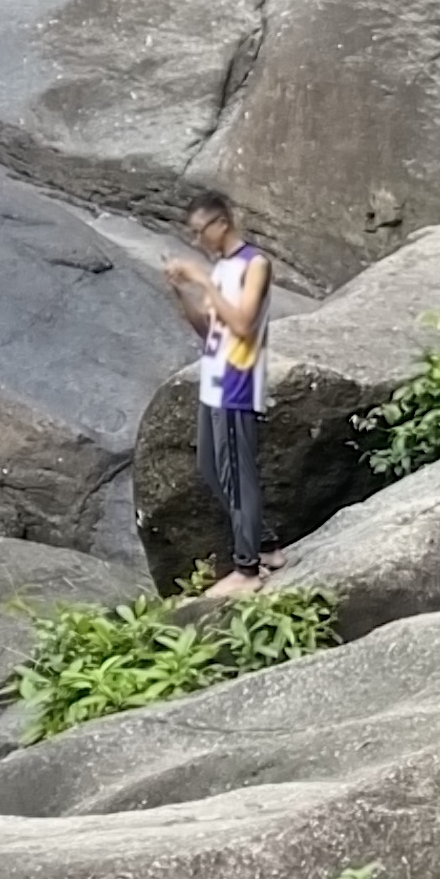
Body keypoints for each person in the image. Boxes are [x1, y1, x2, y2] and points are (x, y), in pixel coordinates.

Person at [162, 187, 274, 601]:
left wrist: (204, 281)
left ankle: (247, 569)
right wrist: (182, 291)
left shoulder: (254, 264)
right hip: (214, 379)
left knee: (238, 476)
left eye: (199, 231)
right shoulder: (223, 269)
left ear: (221, 223)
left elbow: (242, 325)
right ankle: (266, 544)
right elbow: (210, 329)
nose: (196, 241)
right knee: (211, 468)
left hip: (236, 381)